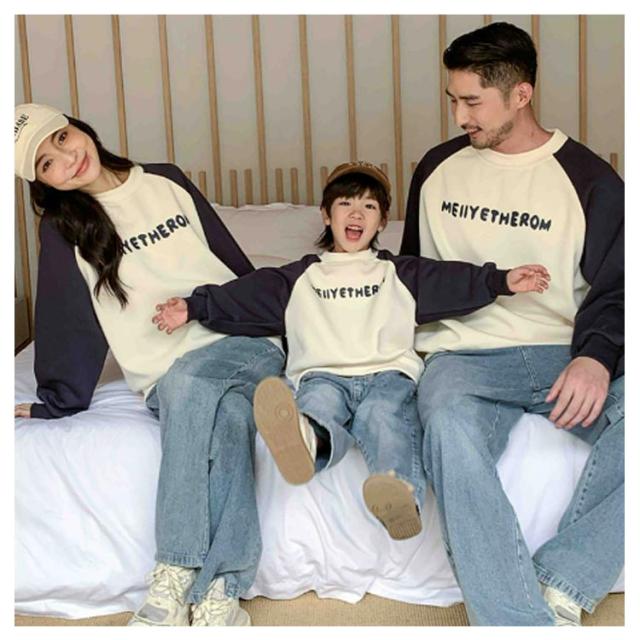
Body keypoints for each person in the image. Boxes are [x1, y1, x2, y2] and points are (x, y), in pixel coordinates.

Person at [153, 160, 550, 541]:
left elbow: (454, 281)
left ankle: (400, 497)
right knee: (317, 408)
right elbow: (244, 298)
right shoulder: (298, 277)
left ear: (382, 221)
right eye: (345, 203)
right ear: (326, 215)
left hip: (388, 375)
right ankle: (306, 444)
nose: (357, 213)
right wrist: (193, 307)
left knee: (385, 419)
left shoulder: (401, 273)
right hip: (321, 375)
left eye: (369, 206)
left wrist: (502, 281)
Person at [14, 103, 285, 626]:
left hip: (242, 343)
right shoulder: (63, 229)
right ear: (42, 183)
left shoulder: (166, 180)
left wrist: (268, 314)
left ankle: (174, 570)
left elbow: (231, 263)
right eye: (46, 163)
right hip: (164, 374)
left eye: (62, 138)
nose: (67, 159)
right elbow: (67, 317)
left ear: (79, 127)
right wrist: (58, 400)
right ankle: (223, 593)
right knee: (229, 418)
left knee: (189, 382)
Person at [401, 22, 624, 626]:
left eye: (473, 102)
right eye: (453, 99)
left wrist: (596, 357)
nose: (459, 116)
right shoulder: (437, 169)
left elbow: (617, 287)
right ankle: (514, 622)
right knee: (447, 427)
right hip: (463, 358)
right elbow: (414, 276)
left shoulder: (592, 181)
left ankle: (564, 581)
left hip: (561, 351)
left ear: (521, 94)